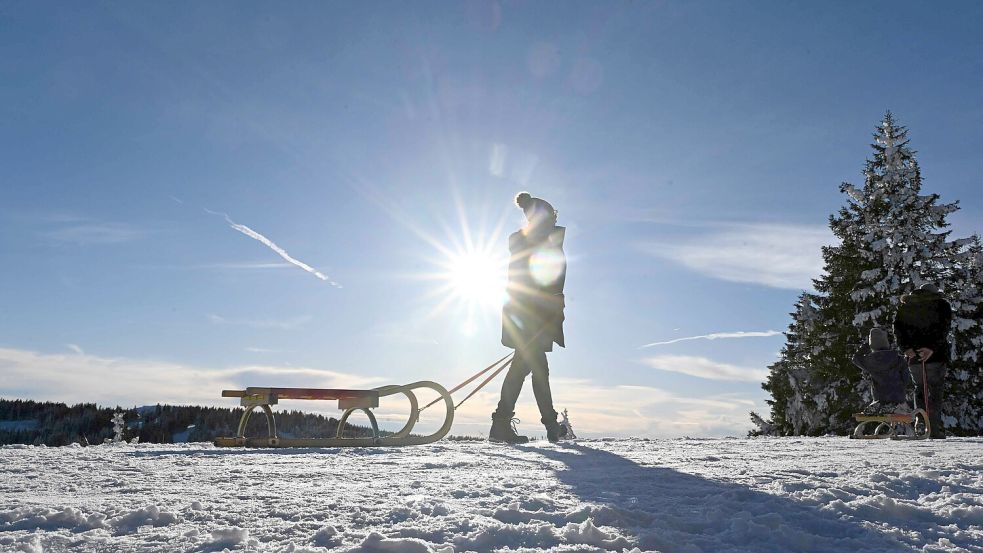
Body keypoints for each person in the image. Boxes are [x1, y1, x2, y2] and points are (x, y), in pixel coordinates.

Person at [490, 192, 568, 444]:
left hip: (528, 316)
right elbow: (539, 284)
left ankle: (513, 424)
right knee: (533, 370)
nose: (555, 219)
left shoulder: (533, 242)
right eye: (551, 215)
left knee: (528, 369)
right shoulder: (537, 243)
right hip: (531, 318)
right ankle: (539, 425)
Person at [893, 283, 953, 439]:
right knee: (935, 391)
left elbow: (898, 330)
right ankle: (933, 427)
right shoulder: (941, 305)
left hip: (914, 355)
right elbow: (943, 329)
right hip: (936, 355)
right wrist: (930, 348)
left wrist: (906, 348)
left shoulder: (906, 306)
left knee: (919, 388)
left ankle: (921, 423)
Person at [851, 327, 908, 414]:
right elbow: (906, 377)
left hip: (880, 397)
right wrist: (903, 386)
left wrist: (865, 346)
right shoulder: (897, 358)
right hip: (898, 395)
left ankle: (879, 407)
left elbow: (856, 359)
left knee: (880, 400)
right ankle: (894, 406)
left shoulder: (870, 361)